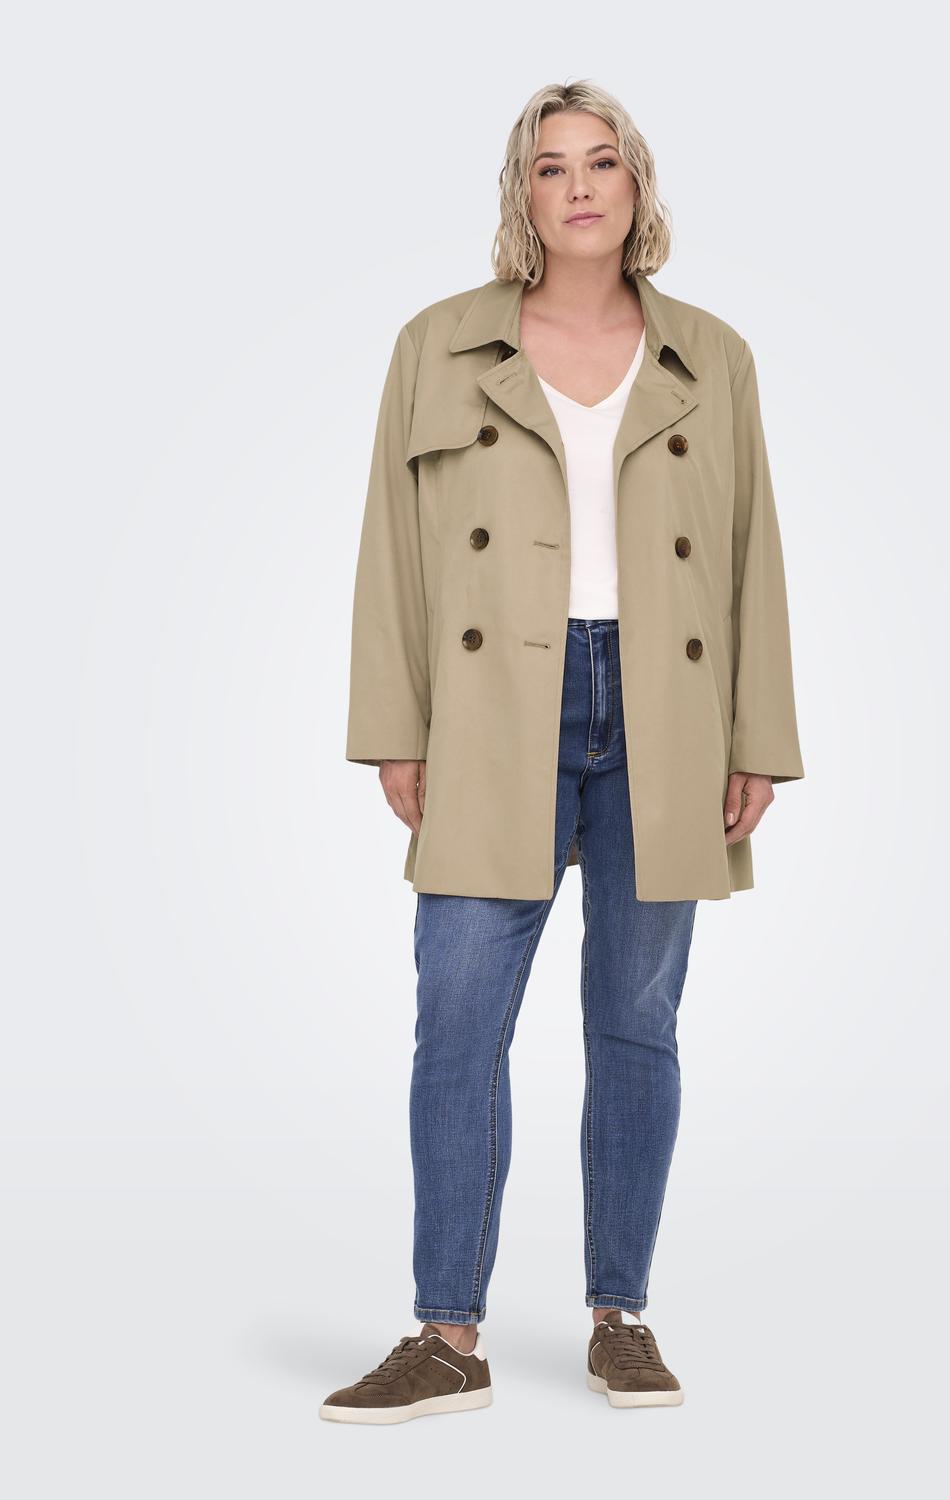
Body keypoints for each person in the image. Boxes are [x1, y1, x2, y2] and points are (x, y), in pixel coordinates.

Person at [321, 79, 805, 1425]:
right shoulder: (437, 343)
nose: (578, 185)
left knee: (637, 1026)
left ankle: (619, 1316)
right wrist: (393, 728)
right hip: (491, 713)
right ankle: (446, 1337)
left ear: (637, 184)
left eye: (602, 161)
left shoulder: (713, 354)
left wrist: (758, 738)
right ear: (520, 195)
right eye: (550, 166)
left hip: (668, 713)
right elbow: (390, 551)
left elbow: (755, 554)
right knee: (457, 1024)